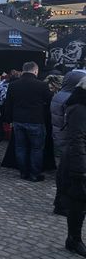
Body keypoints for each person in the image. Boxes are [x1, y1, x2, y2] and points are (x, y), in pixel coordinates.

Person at [4, 61, 53, 182]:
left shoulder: (13, 85)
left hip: (18, 120)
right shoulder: (41, 85)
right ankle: (34, 174)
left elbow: (8, 104)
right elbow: (50, 100)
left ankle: (23, 172)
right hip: (36, 120)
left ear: (23, 70)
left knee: (20, 147)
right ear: (35, 71)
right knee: (36, 148)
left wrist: (8, 119)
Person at [52, 70, 86, 215]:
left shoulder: (61, 96)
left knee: (64, 177)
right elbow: (77, 136)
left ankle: (62, 204)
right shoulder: (77, 106)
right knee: (69, 180)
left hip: (62, 136)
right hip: (73, 147)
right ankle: (64, 206)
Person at [63, 77, 86, 257]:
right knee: (78, 202)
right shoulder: (78, 109)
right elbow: (76, 138)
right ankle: (74, 238)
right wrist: (80, 168)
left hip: (78, 158)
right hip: (78, 161)